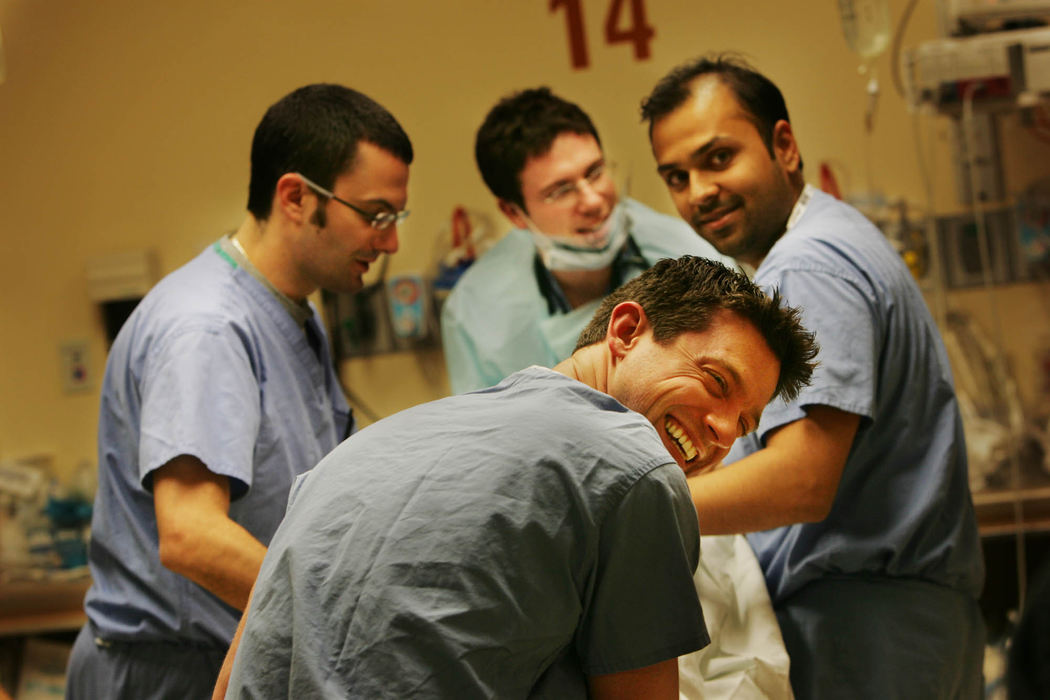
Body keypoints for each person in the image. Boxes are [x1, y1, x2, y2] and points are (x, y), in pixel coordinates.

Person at [214, 256, 818, 699]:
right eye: (715, 382)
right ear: (627, 331)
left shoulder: (365, 449)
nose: (720, 431)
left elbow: (241, 668)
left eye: (744, 424)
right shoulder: (637, 468)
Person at [642, 54, 986, 698]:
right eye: (676, 176)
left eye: (718, 158)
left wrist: (632, 511)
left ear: (785, 146)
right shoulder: (833, 237)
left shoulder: (807, 270)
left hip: (864, 625)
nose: (698, 191)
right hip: (900, 623)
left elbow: (801, 482)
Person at [65, 84, 413, 699]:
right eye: (376, 215)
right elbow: (191, 536)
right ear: (297, 197)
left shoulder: (293, 316)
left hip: (235, 656)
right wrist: (340, 619)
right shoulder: (207, 328)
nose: (390, 243)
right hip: (170, 676)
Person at [440, 87, 734, 395]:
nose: (593, 201)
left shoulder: (695, 258)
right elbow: (490, 434)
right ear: (513, 213)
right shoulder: (474, 313)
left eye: (594, 173)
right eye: (561, 190)